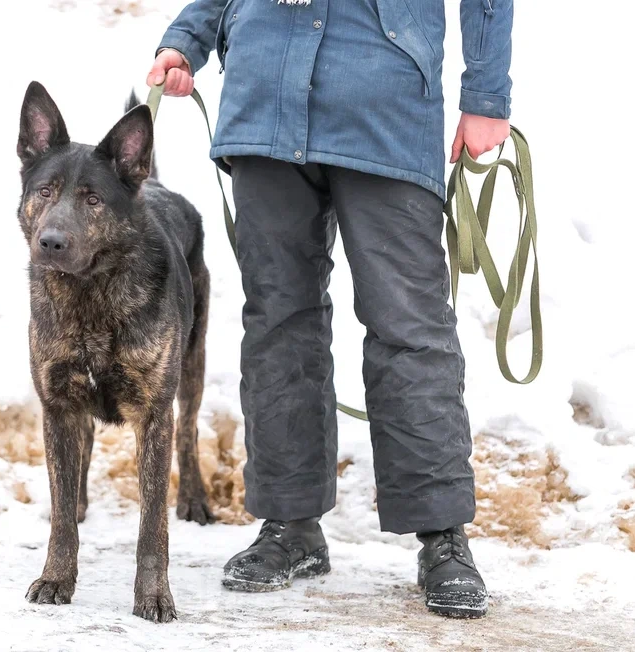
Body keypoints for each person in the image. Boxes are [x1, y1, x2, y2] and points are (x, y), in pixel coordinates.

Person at [147, 0, 512, 618]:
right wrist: (188, 37)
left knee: (409, 327)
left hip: (384, 100)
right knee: (277, 325)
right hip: (264, 100)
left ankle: (443, 536)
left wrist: (486, 94)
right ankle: (290, 527)